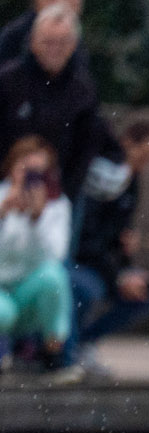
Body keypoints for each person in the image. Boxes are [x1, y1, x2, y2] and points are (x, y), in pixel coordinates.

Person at [0, 5, 117, 211]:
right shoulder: (9, 81)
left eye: (62, 43)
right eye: (48, 42)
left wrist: (63, 193)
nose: (54, 49)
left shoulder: (82, 89)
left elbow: (87, 145)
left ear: (73, 46)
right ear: (33, 42)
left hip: (59, 196)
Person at [68, 118, 149, 368]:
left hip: (105, 263)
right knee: (85, 288)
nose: (144, 164)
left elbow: (117, 235)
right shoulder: (101, 177)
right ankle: (68, 346)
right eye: (143, 154)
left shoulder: (132, 184)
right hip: (85, 261)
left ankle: (84, 341)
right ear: (126, 143)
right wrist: (118, 276)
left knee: (148, 292)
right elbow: (88, 239)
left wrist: (126, 255)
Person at [0, 135, 73, 372]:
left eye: (37, 173)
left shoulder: (57, 205)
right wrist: (3, 213)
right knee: (4, 313)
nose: (29, 178)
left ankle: (53, 353)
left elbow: (56, 255)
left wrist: (37, 219)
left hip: (29, 292)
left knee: (54, 276)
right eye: (25, 170)